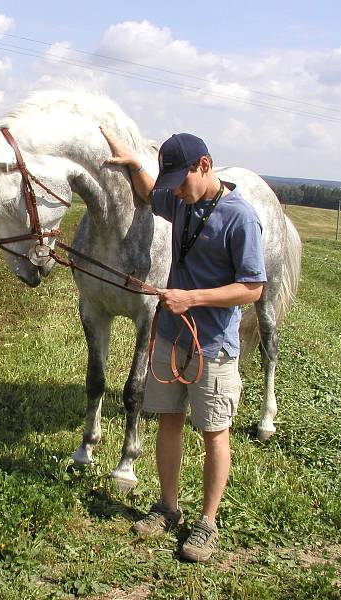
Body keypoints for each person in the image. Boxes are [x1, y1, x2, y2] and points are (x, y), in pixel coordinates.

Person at [99, 126, 267, 562]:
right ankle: (167, 508)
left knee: (214, 433)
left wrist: (192, 298)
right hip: (171, 338)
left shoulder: (239, 218)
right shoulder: (180, 198)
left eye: (182, 183)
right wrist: (134, 162)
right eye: (172, 185)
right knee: (169, 421)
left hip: (212, 345)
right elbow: (151, 191)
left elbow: (252, 289)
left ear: (204, 166)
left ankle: (207, 522)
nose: (177, 194)